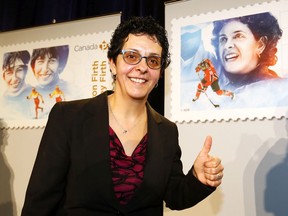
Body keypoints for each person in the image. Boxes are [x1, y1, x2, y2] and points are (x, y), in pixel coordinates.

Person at [21, 16, 224, 216]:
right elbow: (39, 203)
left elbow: (174, 196)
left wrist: (198, 178)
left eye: (153, 60)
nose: (143, 67)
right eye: (132, 56)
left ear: (160, 73)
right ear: (112, 63)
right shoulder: (68, 118)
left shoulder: (167, 131)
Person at [211, 12, 283, 91]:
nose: (227, 45)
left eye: (238, 36)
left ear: (260, 45)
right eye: (223, 39)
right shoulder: (219, 85)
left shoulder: (278, 90)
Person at [1, 51, 33, 119]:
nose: (14, 78)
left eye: (19, 70)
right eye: (9, 73)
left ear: (26, 71)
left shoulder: (35, 95)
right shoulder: (2, 100)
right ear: (3, 76)